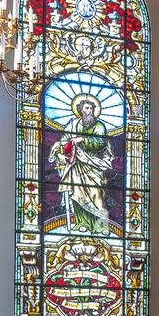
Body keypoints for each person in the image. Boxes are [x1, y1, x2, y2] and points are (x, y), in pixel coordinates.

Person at [49, 95, 114, 234]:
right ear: (80, 110)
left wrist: (82, 140)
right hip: (76, 165)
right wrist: (60, 152)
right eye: (86, 108)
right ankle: (81, 223)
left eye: (91, 108)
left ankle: (101, 226)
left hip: (94, 165)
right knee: (77, 194)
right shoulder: (73, 124)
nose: (89, 110)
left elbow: (100, 143)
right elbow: (65, 142)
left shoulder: (99, 126)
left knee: (96, 195)